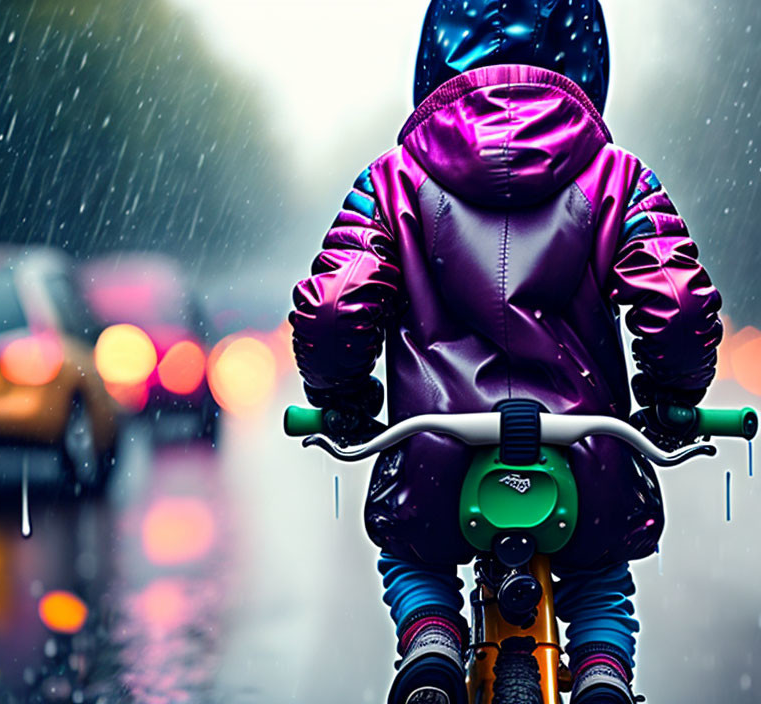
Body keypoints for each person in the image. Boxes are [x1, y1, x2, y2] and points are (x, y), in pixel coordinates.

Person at [288, 1, 722, 703]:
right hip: (583, 455)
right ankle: (603, 677)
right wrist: (674, 397)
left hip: (436, 451)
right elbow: (677, 301)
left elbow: (336, 305)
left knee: (412, 552)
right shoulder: (616, 178)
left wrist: (342, 399)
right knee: (599, 576)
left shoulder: (393, 181)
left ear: (435, 56)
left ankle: (430, 636)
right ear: (583, 56)